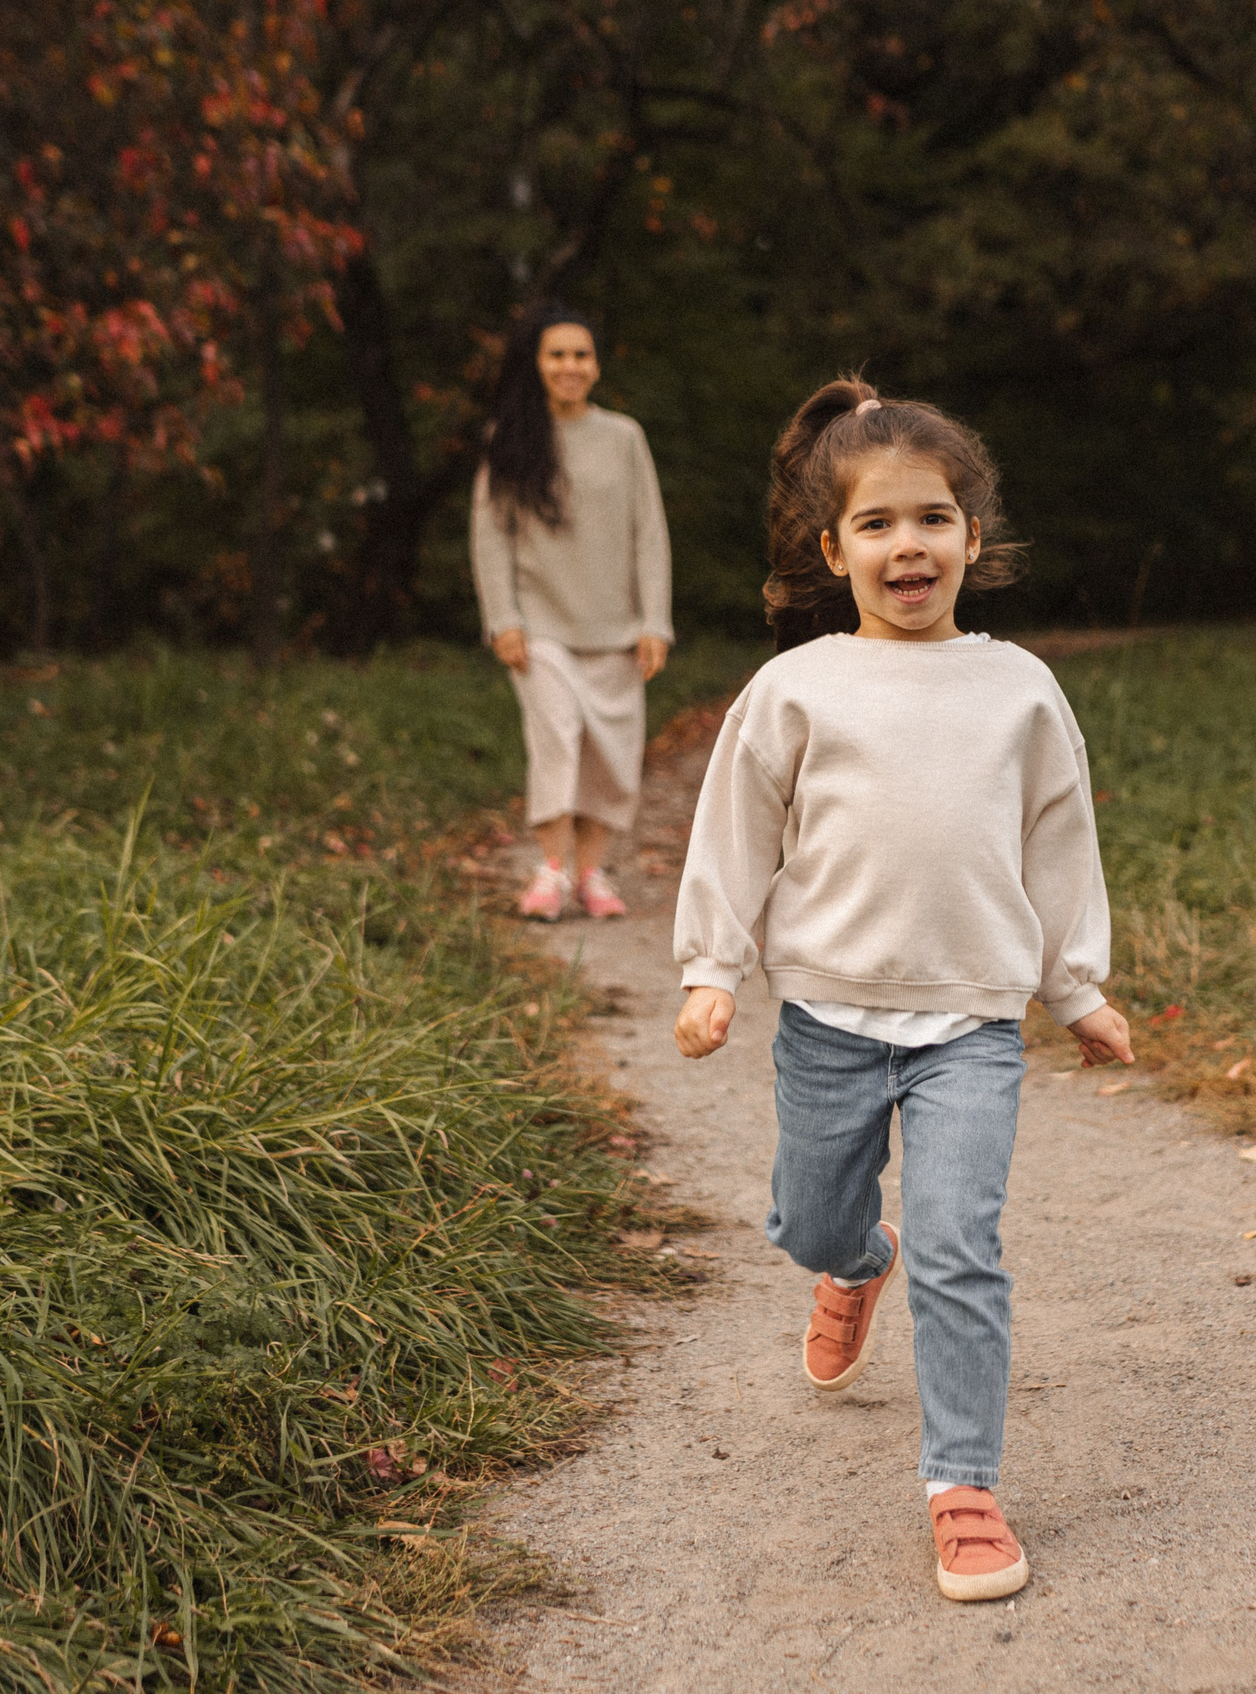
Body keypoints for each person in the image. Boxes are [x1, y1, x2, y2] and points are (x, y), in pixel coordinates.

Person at [670, 377, 1135, 1602]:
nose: (907, 544)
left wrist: (1073, 987)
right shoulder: (797, 689)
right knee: (813, 1220)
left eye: (932, 518)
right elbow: (734, 836)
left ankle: (963, 1483)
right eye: (876, 524)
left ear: (972, 538)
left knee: (960, 1244)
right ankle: (848, 1259)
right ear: (833, 550)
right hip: (827, 1018)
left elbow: (1057, 840)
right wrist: (711, 968)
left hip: (970, 1027)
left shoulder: (1019, 688)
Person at [470, 306, 673, 920]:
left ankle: (592, 873)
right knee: (557, 738)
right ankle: (551, 870)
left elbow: (649, 533)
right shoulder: (507, 440)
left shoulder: (624, 437)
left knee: (610, 755)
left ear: (596, 364)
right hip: (541, 628)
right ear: (535, 364)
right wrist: (503, 618)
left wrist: (655, 620)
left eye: (581, 354)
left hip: (616, 629)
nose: (570, 366)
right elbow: (489, 536)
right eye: (557, 354)